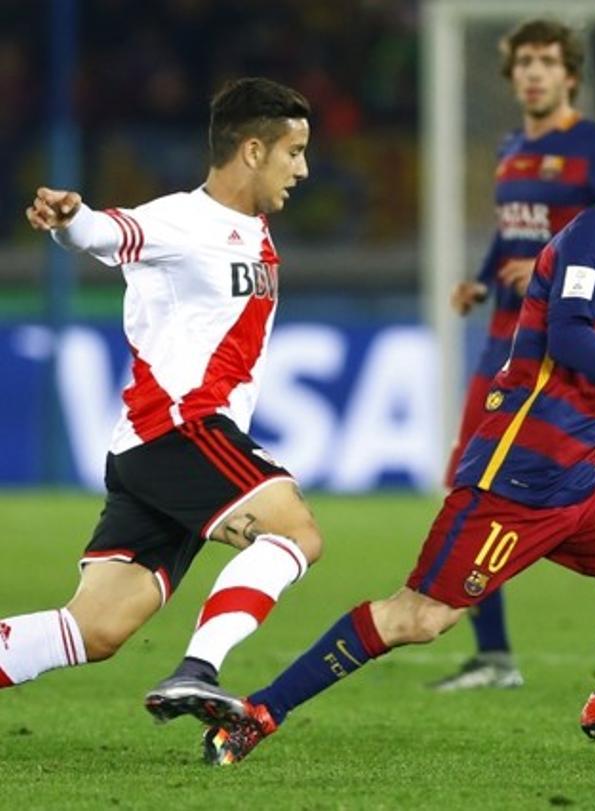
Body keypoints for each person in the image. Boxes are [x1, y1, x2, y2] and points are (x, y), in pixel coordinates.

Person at [169, 121, 595, 767]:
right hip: (516, 482)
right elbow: (567, 338)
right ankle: (258, 713)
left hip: (576, 483)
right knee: (417, 618)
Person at [4, 78, 321, 721]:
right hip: (182, 429)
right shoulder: (180, 220)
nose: (304, 169)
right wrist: (71, 220)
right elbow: (105, 233)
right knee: (296, 532)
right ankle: (197, 671)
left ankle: (192, 670)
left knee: (94, 628)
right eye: (293, 152)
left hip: (148, 449)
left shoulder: (255, 234)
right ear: (253, 151)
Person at [433, 18, 595, 693]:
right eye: (524, 63)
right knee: (474, 483)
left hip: (556, 354)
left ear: (570, 73)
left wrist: (571, 277)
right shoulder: (511, 148)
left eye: (547, 62)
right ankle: (496, 654)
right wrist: (483, 277)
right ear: (512, 76)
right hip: (501, 344)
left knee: (523, 493)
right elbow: (513, 233)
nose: (534, 73)